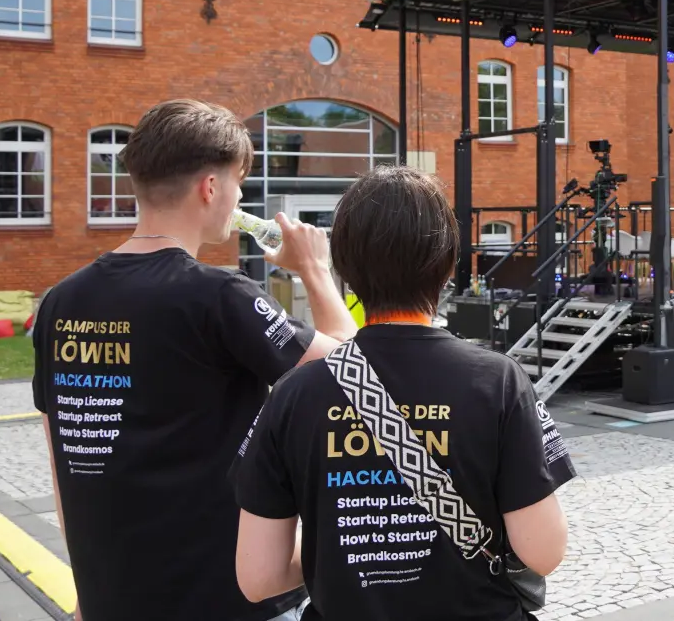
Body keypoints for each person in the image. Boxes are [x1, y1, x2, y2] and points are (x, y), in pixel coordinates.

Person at [32, 99, 358, 621]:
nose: (239, 198)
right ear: (210, 187)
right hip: (228, 602)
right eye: (238, 184)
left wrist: (88, 588)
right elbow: (351, 370)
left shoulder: (60, 302)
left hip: (112, 600)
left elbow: (64, 462)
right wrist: (315, 270)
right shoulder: (219, 296)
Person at [235, 165, 573, 620]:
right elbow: (543, 551)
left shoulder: (293, 394)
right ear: (448, 265)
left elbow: (259, 578)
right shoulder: (499, 382)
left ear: (346, 269)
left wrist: (342, 548)